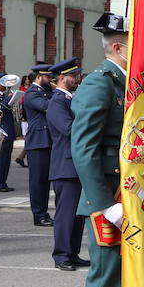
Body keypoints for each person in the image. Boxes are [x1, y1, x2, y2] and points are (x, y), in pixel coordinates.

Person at [70, 12, 144, 287]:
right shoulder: (99, 84)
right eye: (135, 43)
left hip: (130, 199)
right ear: (118, 47)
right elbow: (83, 148)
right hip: (110, 203)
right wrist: (104, 206)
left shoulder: (127, 84)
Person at [45, 56, 87, 270]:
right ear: (62, 78)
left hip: (76, 165)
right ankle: (61, 255)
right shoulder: (56, 102)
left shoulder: (70, 99)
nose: (77, 78)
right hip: (65, 166)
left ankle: (73, 252)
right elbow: (70, 129)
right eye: (73, 75)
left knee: (78, 214)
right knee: (65, 214)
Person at [22, 62, 55, 226]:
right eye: (48, 77)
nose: (50, 80)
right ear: (39, 77)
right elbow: (48, 107)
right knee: (38, 181)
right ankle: (39, 214)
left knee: (46, 180)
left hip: (48, 141)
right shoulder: (32, 94)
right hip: (37, 142)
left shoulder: (47, 92)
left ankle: (44, 212)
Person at [0, 73, 20, 192]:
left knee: (6, 160)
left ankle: (3, 182)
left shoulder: (4, 95)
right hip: (1, 131)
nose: (5, 85)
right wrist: (9, 98)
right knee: (1, 160)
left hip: (9, 130)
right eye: (2, 82)